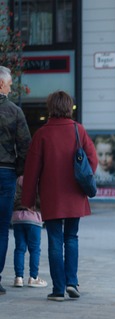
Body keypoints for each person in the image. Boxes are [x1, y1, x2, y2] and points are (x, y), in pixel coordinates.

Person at [21, 90, 98, 301]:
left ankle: (58, 289)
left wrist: (27, 200)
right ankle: (72, 282)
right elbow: (93, 159)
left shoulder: (42, 134)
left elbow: (32, 170)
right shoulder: (78, 130)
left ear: (51, 107)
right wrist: (81, 176)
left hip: (52, 195)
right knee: (72, 237)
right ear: (68, 107)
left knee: (55, 241)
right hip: (75, 194)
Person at [0, 66, 31, 295]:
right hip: (5, 172)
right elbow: (25, 147)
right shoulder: (14, 112)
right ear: (1, 85)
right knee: (1, 229)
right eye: (10, 84)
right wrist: (20, 171)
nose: (11, 88)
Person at [12, 176, 47, 288]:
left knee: (19, 249)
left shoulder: (18, 180)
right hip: (34, 218)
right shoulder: (38, 180)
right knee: (34, 249)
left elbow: (14, 198)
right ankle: (33, 277)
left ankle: (18, 278)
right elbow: (42, 200)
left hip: (17, 217)